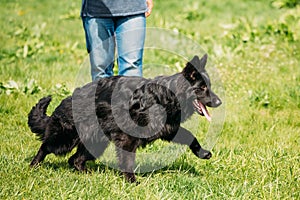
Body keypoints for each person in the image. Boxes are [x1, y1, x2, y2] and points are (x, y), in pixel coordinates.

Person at [81, 0, 154, 81]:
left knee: (131, 69)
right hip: (96, 10)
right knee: (101, 72)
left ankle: (128, 94)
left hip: (133, 7)